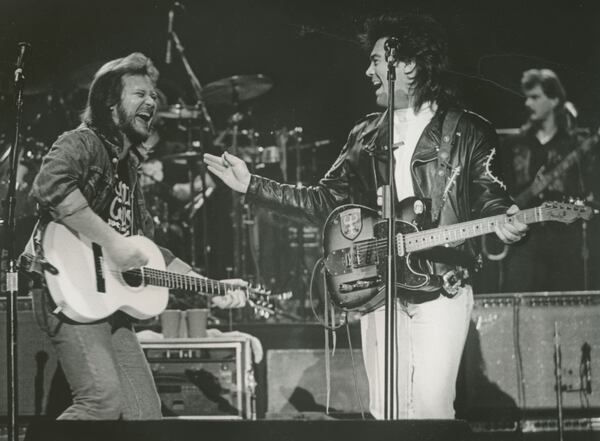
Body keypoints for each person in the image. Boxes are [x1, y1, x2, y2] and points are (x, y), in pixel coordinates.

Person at [205, 13, 528, 419]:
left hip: (441, 286)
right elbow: (324, 201)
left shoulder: (467, 131)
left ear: (407, 64)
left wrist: (506, 220)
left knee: (431, 408)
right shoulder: (366, 134)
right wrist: (252, 184)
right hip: (379, 288)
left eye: (376, 60)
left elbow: (489, 192)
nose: (368, 70)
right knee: (385, 411)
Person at [22, 53, 245, 420]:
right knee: (100, 403)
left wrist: (213, 288)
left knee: (146, 414)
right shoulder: (82, 143)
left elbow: (147, 250)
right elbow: (50, 186)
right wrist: (113, 243)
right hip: (65, 287)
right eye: (139, 93)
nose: (152, 102)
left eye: (153, 95)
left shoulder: (128, 169)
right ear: (110, 103)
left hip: (107, 302)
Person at [501, 69, 588, 292]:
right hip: (524, 243)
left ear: (555, 99)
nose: (528, 103)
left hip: (565, 241)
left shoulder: (575, 145)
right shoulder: (514, 144)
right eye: (527, 97)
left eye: (535, 97)